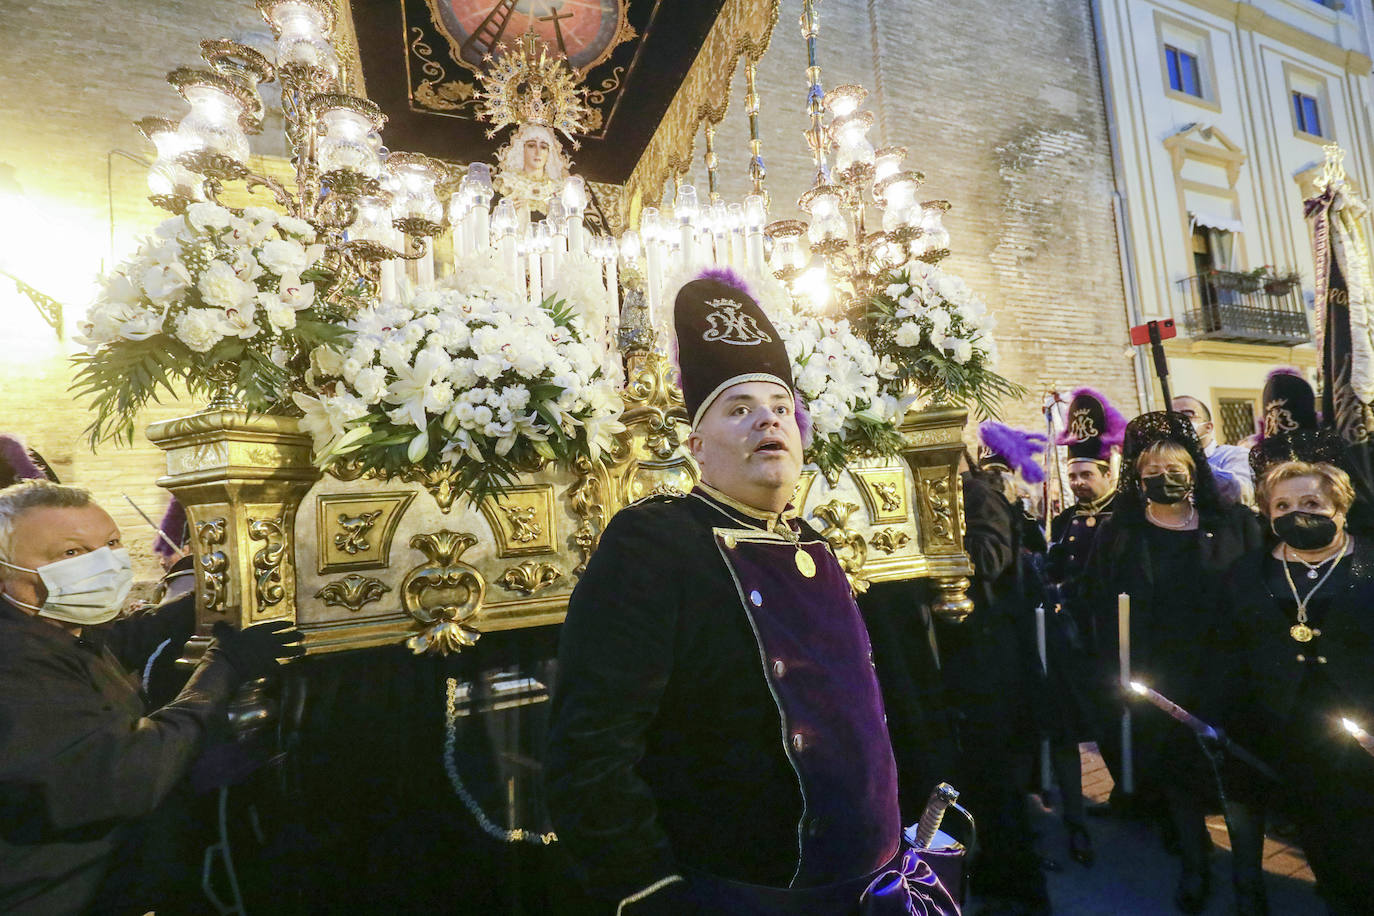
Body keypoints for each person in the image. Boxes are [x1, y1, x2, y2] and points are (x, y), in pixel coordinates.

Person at [544, 272, 957, 915]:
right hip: (744, 894)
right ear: (696, 446)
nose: (769, 418)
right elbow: (590, 750)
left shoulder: (813, 539)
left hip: (867, 885)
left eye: (781, 406)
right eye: (739, 410)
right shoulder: (655, 541)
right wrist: (649, 893)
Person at [0, 480, 302, 914]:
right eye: (71, 552)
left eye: (111, 543)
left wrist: (212, 597)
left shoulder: (47, 626)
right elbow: (131, 774)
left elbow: (115, 642)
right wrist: (223, 668)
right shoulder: (13, 662)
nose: (103, 563)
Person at [1082, 411, 1262, 913]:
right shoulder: (1121, 533)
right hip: (1161, 678)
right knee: (1179, 776)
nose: (1164, 479)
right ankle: (1194, 862)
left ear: (1194, 471)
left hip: (1230, 672)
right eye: (1152, 472)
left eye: (1175, 470)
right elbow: (1096, 599)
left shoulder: (1234, 524)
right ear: (1137, 479)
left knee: (1239, 782)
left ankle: (1249, 880)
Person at [1206, 456, 1374, 916]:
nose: (1297, 513)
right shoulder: (1248, 572)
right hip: (1292, 730)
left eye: (1312, 503)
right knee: (1322, 831)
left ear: (1341, 507)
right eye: (1282, 505)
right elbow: (1231, 650)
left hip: (1367, 723)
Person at [937, 421, 1051, 915]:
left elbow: (988, 557)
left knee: (997, 779)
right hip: (960, 657)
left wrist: (933, 543)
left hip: (990, 657)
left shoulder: (975, 494)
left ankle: (1015, 887)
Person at [1043, 388, 1127, 863]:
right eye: (1073, 474)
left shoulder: (1125, 518)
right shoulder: (1065, 520)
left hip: (1109, 640)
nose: (1077, 482)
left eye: (1086, 474)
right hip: (1070, 639)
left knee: (1115, 724)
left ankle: (1132, 794)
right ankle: (1076, 818)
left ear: (1107, 472)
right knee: (1068, 726)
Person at [1171, 395, 1253, 505]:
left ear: (1208, 427)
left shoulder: (1235, 454)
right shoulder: (1165, 462)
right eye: (1172, 417)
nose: (1178, 421)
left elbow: (1241, 495)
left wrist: (1197, 461)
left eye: (1187, 415)